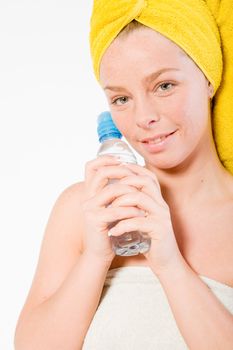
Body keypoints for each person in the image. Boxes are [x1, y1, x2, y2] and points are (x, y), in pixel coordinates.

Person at [15, 1, 233, 349]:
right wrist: (96, 257)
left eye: (164, 86)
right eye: (120, 99)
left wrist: (170, 266)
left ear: (209, 77)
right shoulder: (83, 209)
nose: (143, 116)